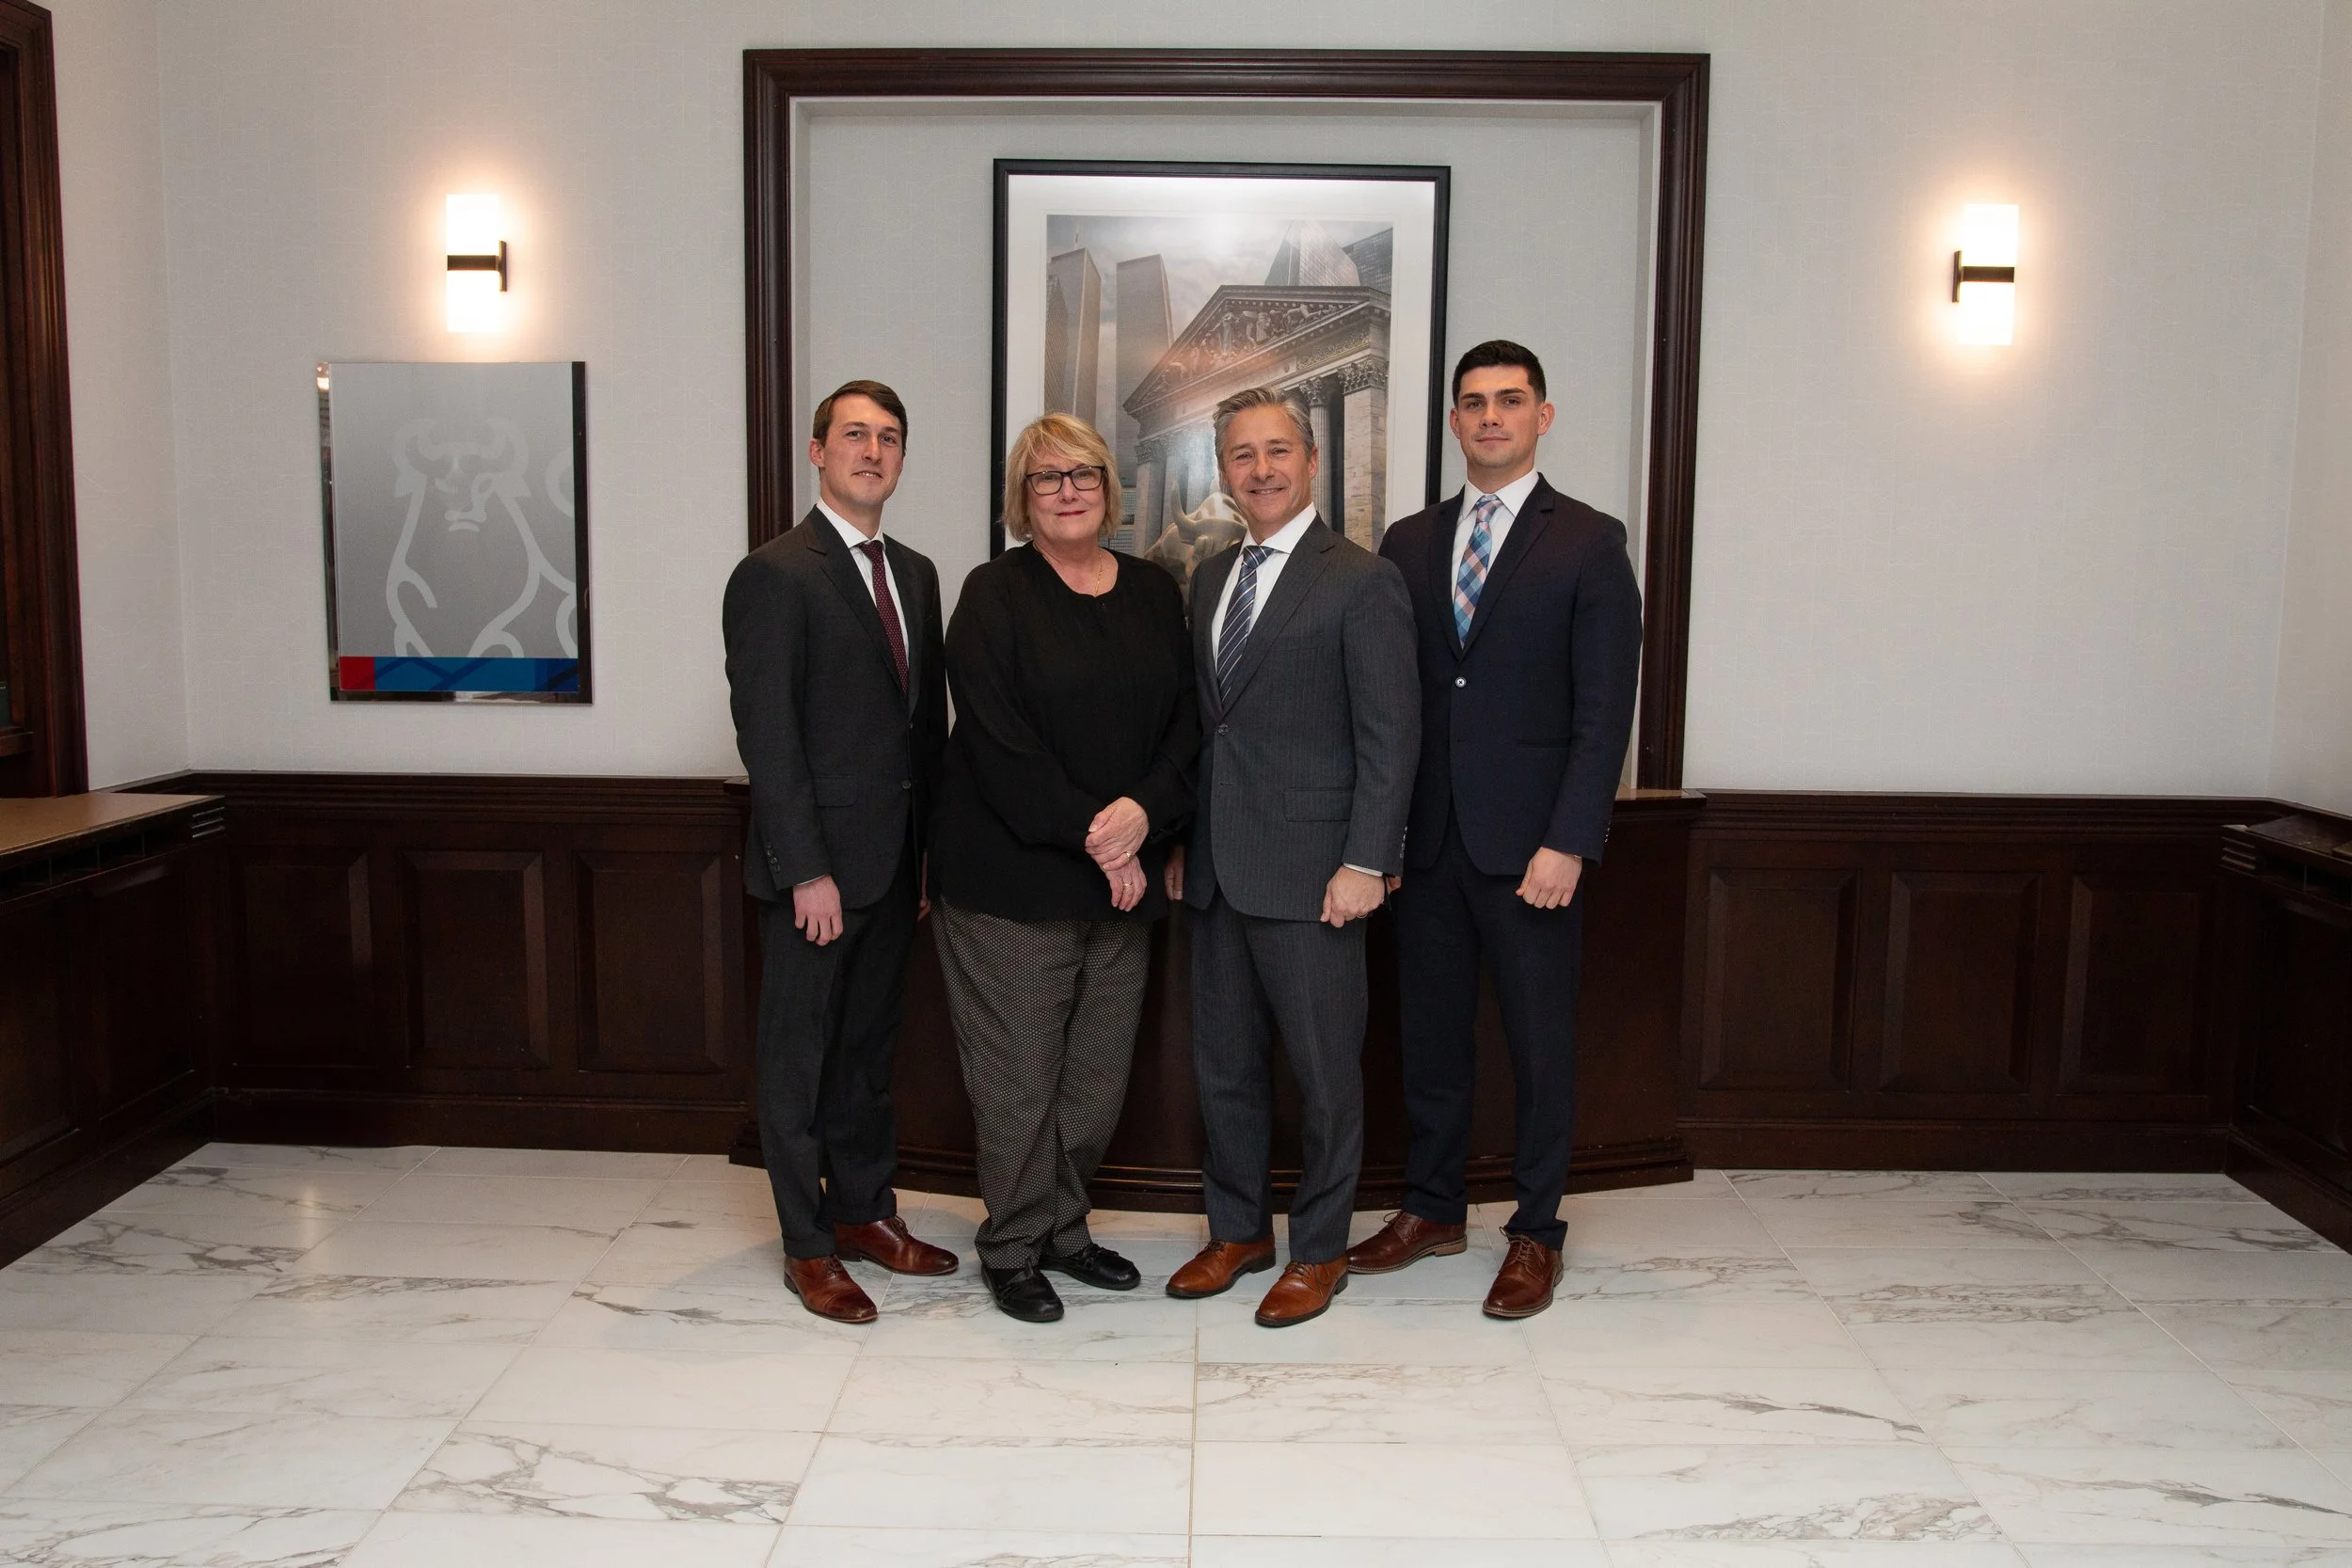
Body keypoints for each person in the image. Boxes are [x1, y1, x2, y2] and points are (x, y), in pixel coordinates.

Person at [1348, 340, 1643, 1319]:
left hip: (1532, 852)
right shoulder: (1409, 541)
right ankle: (1432, 1208)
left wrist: (1570, 839)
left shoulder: (1590, 541)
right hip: (1427, 846)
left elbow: (1604, 711)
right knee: (1429, 1040)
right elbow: (1390, 704)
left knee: (1537, 1044)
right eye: (1471, 402)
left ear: (1542, 415)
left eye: (1509, 401)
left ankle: (1536, 1229)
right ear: (1451, 420)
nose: (1489, 417)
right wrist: (1381, 840)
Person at [930, 413, 1200, 1324]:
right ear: (1023, 497)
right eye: (1047, 478)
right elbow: (1000, 747)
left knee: (1093, 1082)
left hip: (1118, 881)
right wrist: (1105, 836)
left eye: (1082, 472)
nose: (1068, 488)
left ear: (1108, 487)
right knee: (1018, 1082)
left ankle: (1063, 1229)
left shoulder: (1157, 592)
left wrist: (1141, 820)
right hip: (1011, 881)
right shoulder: (992, 594)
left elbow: (1185, 732)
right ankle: (1010, 1243)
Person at [1163, 386, 1418, 1328]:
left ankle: (1317, 1248)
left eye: (1277, 450)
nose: (1260, 468)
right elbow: (1207, 727)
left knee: (1322, 1073)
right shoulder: (1207, 577)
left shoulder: (1359, 578)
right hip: (1219, 868)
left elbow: (1392, 734)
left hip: (1318, 874)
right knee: (1223, 1065)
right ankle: (1237, 1229)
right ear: (1222, 471)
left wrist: (1366, 858)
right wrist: (1187, 840)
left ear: (1310, 462)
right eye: (1241, 454)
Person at [722, 378, 959, 1324]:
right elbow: (767, 736)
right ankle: (808, 1243)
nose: (872, 449)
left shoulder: (919, 572)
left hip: (895, 866)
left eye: (889, 436)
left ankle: (865, 1212)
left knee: (866, 1056)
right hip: (814, 875)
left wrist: (927, 859)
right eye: (854, 434)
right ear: (816, 451)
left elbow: (924, 732)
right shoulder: (776, 573)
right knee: (798, 1061)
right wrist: (805, 870)